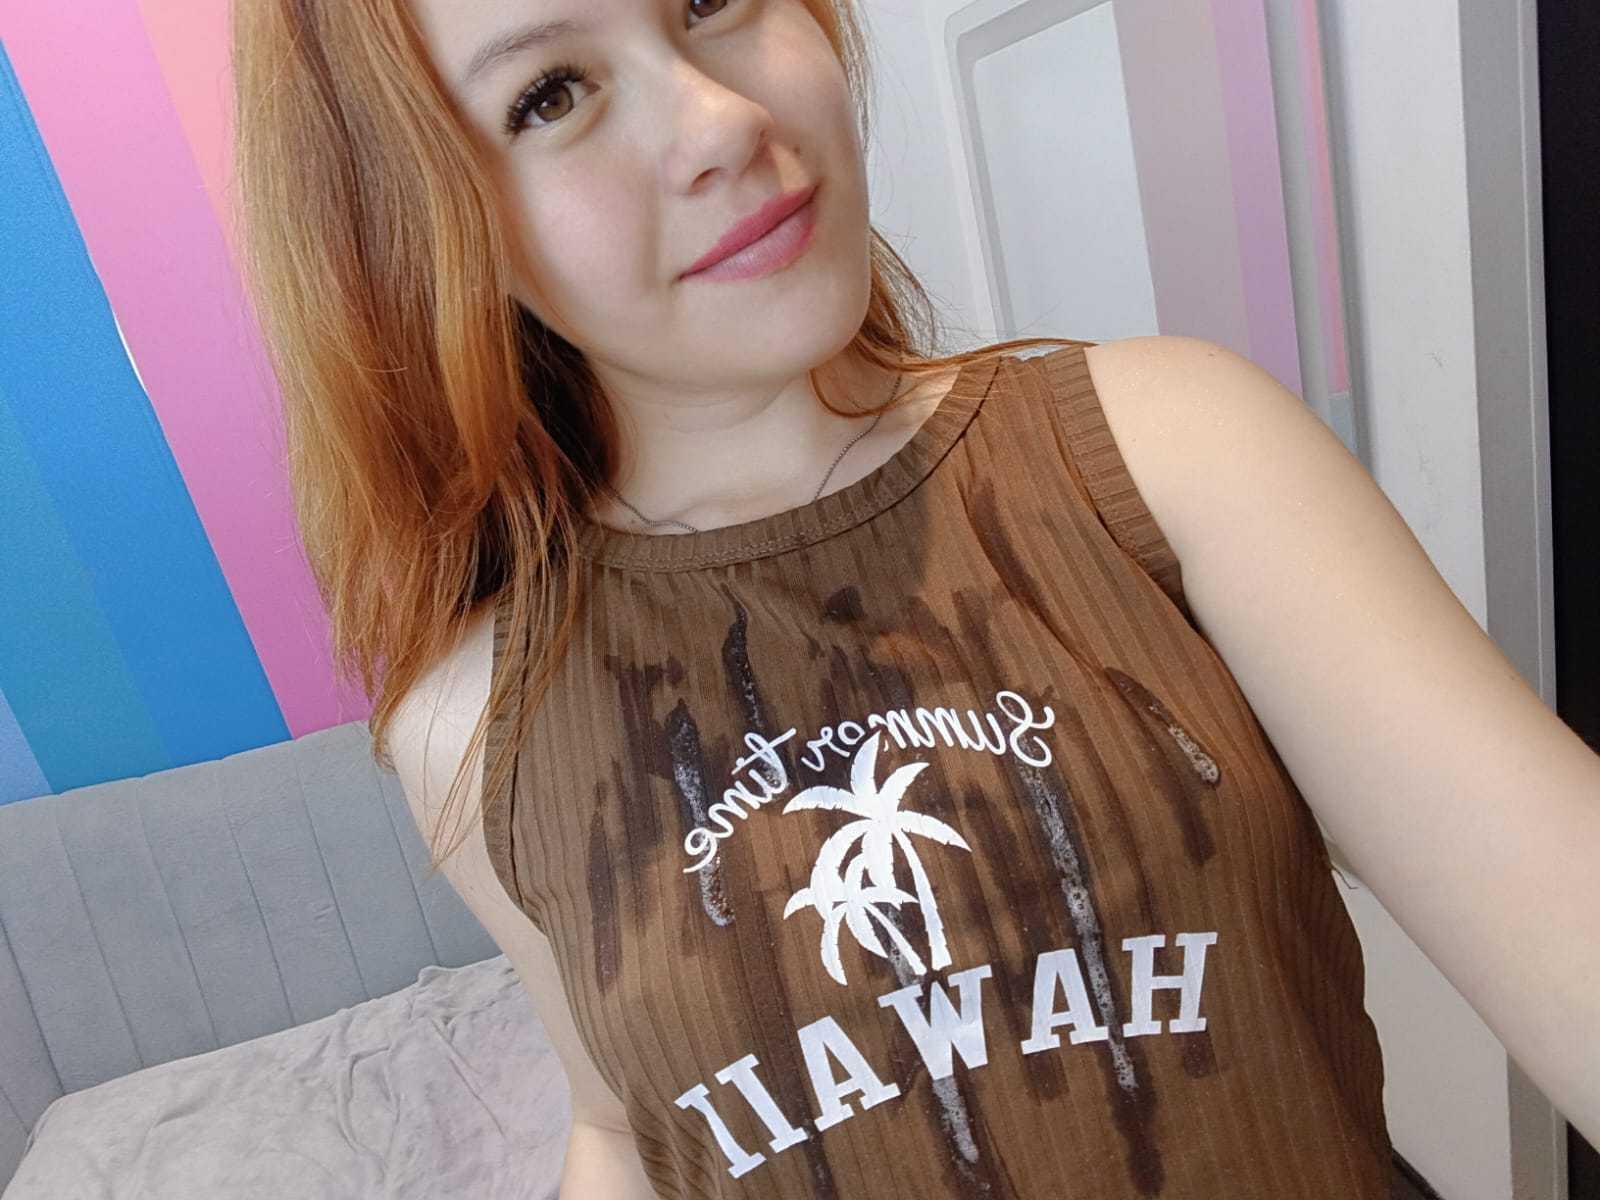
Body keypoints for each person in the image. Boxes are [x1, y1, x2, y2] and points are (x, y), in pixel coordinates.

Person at [229, 1, 1600, 1196]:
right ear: (429, 222)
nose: (720, 120)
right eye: (550, 94)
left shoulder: (1168, 456)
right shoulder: (476, 721)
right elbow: (622, 1122)